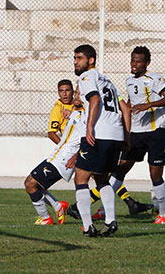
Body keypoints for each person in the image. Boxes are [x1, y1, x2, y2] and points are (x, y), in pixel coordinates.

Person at [73, 44, 131, 237]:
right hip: (115, 135)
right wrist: (126, 136)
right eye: (74, 58)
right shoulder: (108, 81)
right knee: (101, 178)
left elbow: (95, 100)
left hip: (100, 134)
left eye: (79, 58)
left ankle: (88, 226)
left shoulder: (87, 77)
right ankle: (110, 220)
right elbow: (125, 107)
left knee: (80, 178)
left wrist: (89, 127)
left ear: (91, 60)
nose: (75, 62)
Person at [117, 46, 165, 224]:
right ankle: (104, 209)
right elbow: (130, 104)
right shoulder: (129, 80)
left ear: (147, 63)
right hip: (136, 134)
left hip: (156, 132)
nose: (134, 64)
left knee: (155, 175)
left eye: (138, 61)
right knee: (119, 170)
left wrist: (148, 105)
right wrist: (124, 127)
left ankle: (163, 213)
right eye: (132, 60)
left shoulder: (155, 79)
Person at [25, 86, 85, 225]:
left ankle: (46, 218)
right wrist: (70, 114)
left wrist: (75, 157)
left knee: (30, 184)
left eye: (79, 94)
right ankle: (58, 207)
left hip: (65, 159)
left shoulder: (87, 116)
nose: (75, 96)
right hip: (58, 155)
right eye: (75, 92)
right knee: (35, 184)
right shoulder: (77, 112)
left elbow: (87, 140)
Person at [48, 79, 75, 144]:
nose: (64, 94)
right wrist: (63, 147)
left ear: (73, 92)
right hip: (72, 143)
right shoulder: (58, 109)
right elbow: (51, 133)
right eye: (61, 91)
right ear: (58, 93)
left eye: (67, 90)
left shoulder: (80, 105)